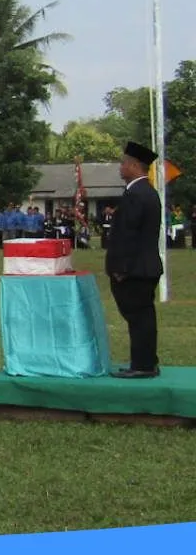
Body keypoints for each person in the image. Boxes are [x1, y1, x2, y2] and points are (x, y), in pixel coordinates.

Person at [106, 141, 165, 379]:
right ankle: (146, 360)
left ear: (133, 165)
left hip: (135, 269)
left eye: (123, 163)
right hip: (144, 266)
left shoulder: (136, 194)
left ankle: (143, 365)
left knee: (139, 318)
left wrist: (121, 268)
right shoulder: (146, 192)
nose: (120, 167)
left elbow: (128, 235)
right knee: (142, 317)